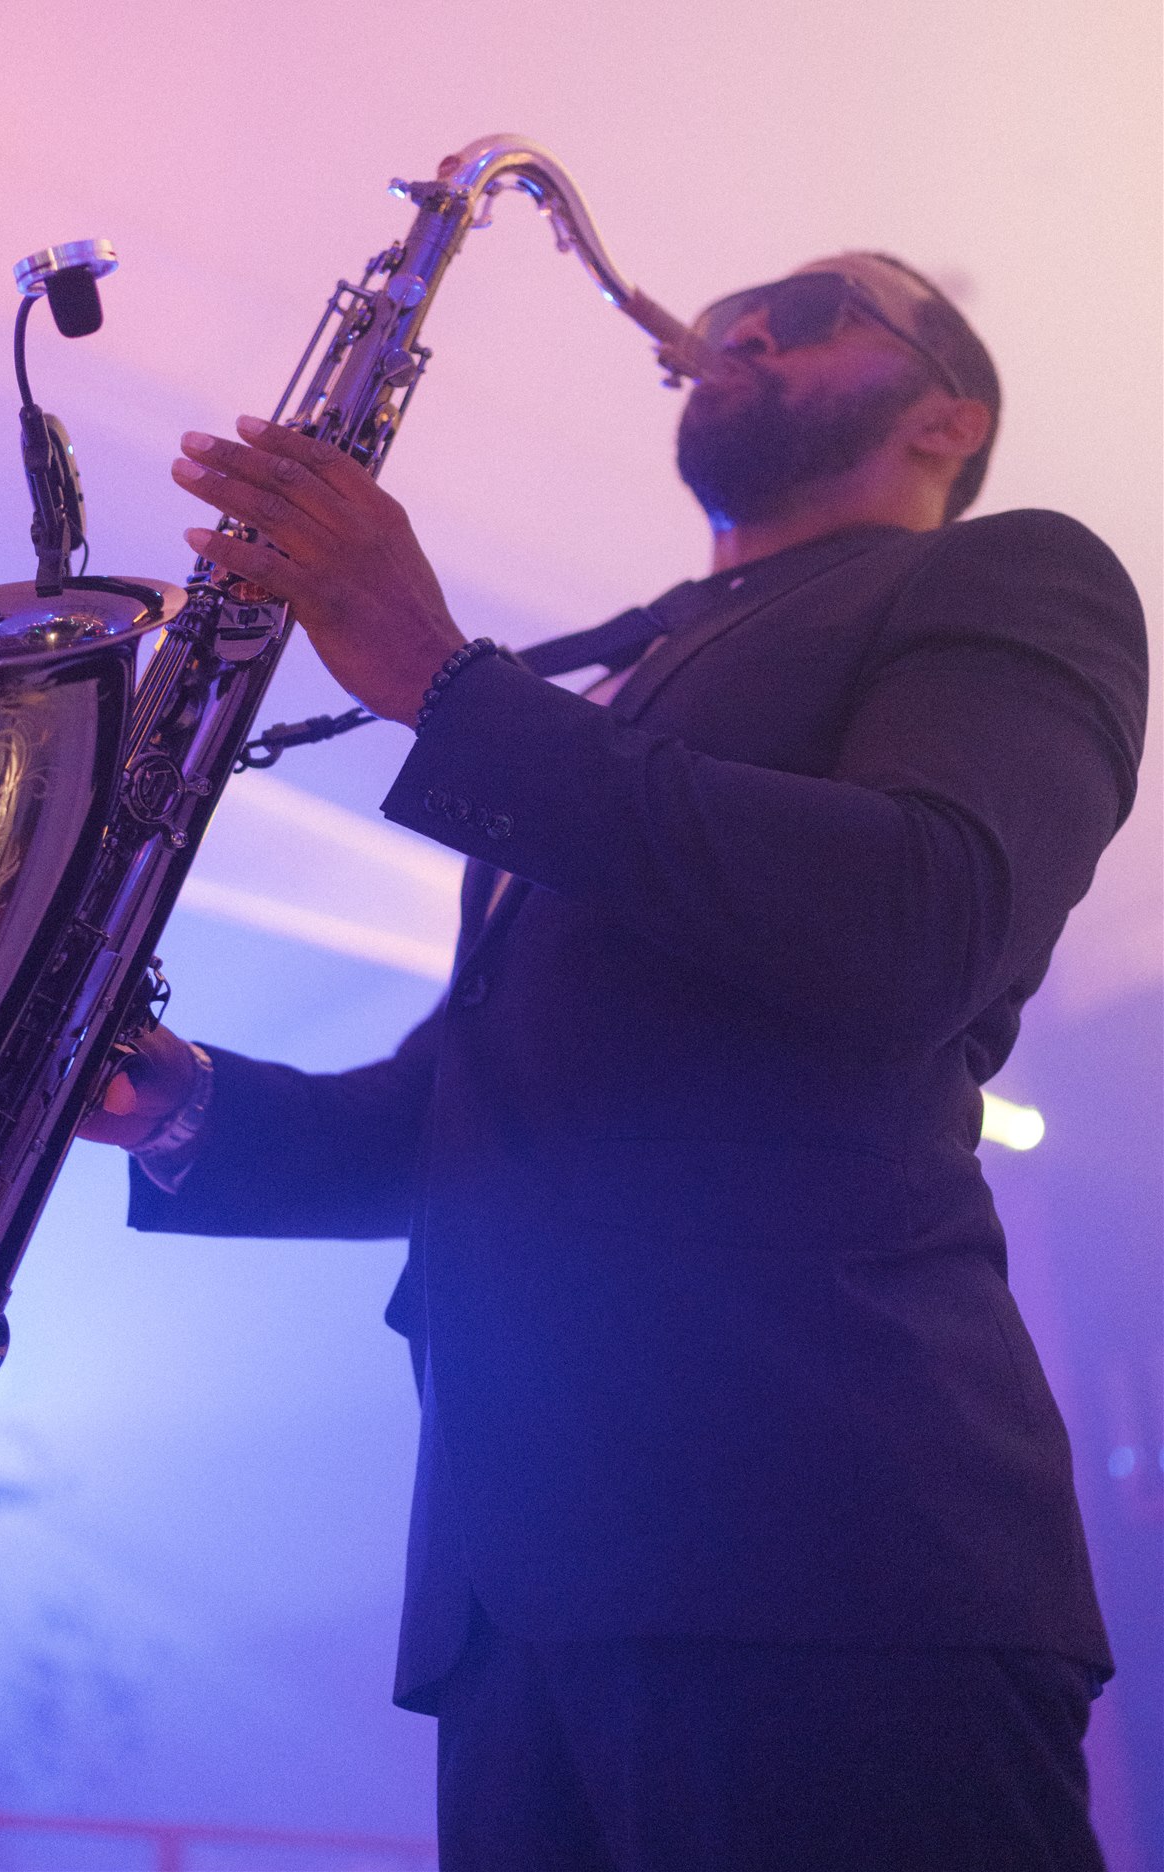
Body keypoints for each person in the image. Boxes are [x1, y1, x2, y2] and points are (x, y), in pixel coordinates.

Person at [79, 252, 1148, 1871]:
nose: (744, 326)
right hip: (515, 1596)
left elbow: (929, 916)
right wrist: (182, 1106)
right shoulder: (627, 676)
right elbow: (482, 1111)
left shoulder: (1014, 575)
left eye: (819, 310)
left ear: (951, 417)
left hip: (830, 1542)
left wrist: (447, 684)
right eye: (731, 316)